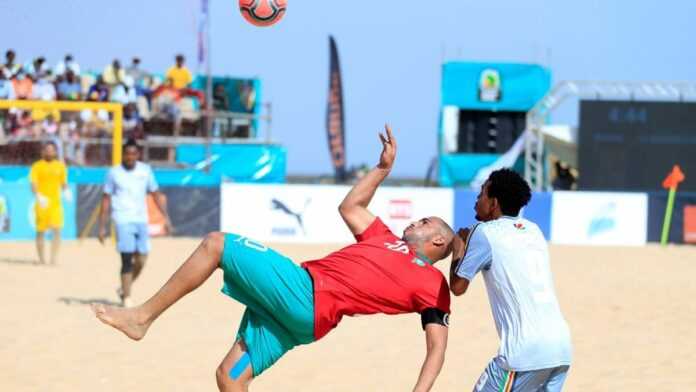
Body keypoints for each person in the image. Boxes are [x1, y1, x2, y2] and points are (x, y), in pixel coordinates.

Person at [92, 125, 455, 392]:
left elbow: (437, 349)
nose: (414, 220)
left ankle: (141, 317)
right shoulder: (385, 238)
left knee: (216, 244)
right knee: (230, 377)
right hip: (303, 323)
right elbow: (350, 206)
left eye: (424, 222)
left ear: (438, 239)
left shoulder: (433, 284)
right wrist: (382, 170)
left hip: (304, 294)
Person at [449, 169, 572, 392]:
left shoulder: (483, 231)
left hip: (524, 354)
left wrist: (458, 248)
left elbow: (457, 287)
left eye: (482, 194)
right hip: (561, 349)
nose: (477, 200)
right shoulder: (533, 230)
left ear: (494, 203)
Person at [98, 140, 172, 307]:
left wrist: (166, 217)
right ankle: (127, 297)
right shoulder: (114, 173)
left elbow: (155, 193)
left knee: (142, 259)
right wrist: (102, 226)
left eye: (133, 153)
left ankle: (124, 287)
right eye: (127, 153)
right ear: (123, 154)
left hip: (141, 219)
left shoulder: (145, 171)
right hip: (122, 219)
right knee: (126, 258)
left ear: (138, 155)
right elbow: (105, 198)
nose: (130, 157)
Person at [29, 142, 70, 265]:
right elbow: (33, 183)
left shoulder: (60, 166)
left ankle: (53, 259)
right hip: (42, 203)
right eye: (47, 150)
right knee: (40, 231)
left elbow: (63, 182)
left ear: (55, 152)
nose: (49, 152)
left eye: (52, 150)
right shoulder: (37, 166)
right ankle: (42, 259)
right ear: (43, 152)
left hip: (55, 204)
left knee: (57, 230)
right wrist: (38, 195)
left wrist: (67, 191)